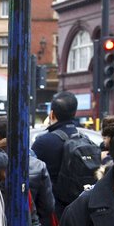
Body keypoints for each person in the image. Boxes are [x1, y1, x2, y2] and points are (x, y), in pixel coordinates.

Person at [31, 91, 81, 219]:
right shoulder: (85, 140)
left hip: (52, 215)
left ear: (52, 114)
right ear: (74, 113)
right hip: (79, 213)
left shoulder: (43, 142)